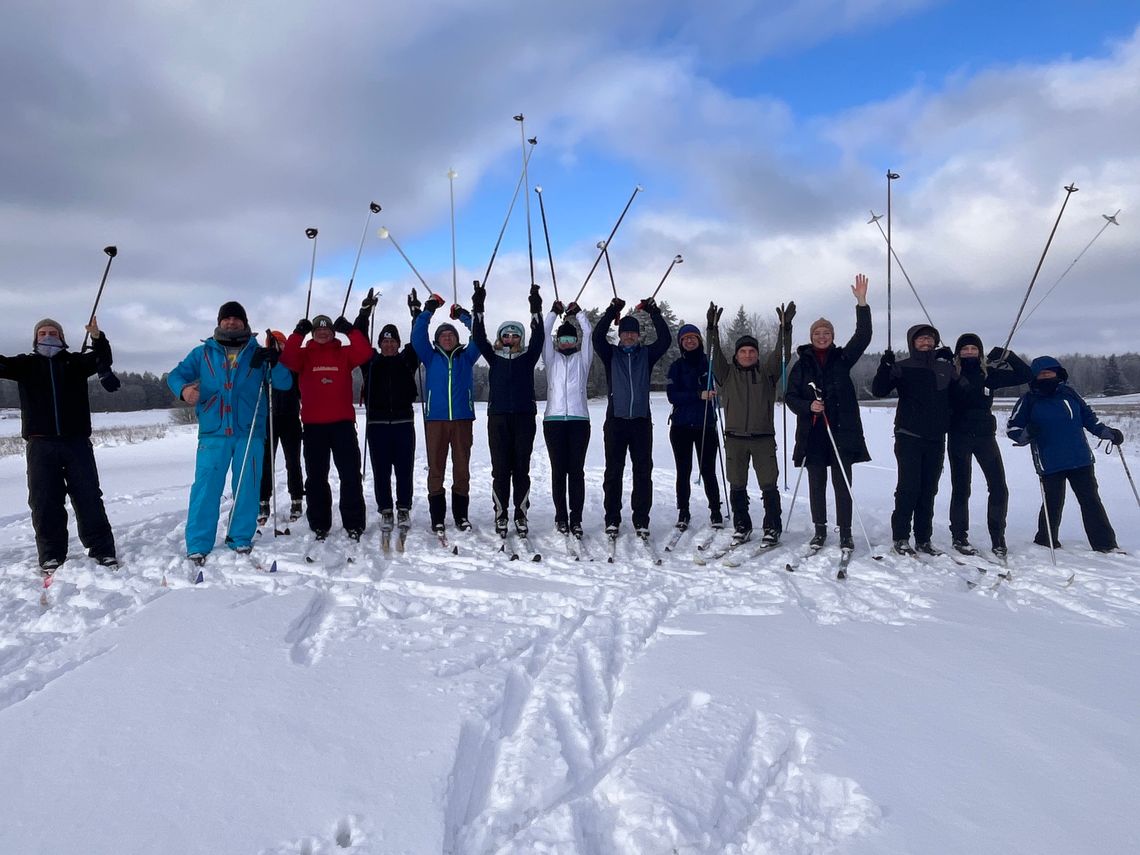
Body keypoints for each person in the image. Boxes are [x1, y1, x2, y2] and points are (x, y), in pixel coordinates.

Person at [168, 302, 292, 562]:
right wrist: (184, 390)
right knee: (206, 488)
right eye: (227, 318)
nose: (232, 322)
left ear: (245, 323)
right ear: (219, 322)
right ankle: (199, 542)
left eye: (237, 318)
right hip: (213, 433)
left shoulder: (257, 353)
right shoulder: (203, 353)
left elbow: (284, 383)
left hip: (250, 431)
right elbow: (175, 375)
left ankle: (240, 537)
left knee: (247, 487)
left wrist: (276, 361)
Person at [0, 317, 120, 574]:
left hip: (76, 442)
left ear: (62, 337)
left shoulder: (75, 362)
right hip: (40, 444)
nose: (48, 336)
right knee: (44, 500)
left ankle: (103, 551)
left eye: (53, 332)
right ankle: (51, 555)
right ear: (35, 338)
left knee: (89, 497)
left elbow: (103, 358)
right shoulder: (25, 364)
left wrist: (97, 337)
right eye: (42, 333)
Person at [785, 275, 872, 552]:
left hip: (841, 432)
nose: (822, 337)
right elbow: (790, 397)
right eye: (817, 334)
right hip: (813, 433)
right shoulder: (801, 364)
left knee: (842, 484)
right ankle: (819, 530)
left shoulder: (842, 359)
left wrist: (861, 303)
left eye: (826, 333)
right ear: (811, 337)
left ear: (832, 337)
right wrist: (808, 406)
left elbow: (863, 337)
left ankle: (845, 532)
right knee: (817, 484)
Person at [1007, 356, 1122, 553]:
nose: (1046, 376)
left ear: (1058, 373)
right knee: (1053, 502)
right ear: (1034, 377)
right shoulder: (1028, 400)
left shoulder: (1070, 394)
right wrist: (1027, 433)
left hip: (1080, 458)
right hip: (1049, 460)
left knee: (1091, 501)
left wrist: (1107, 433)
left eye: (1050, 372)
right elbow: (1013, 428)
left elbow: (1089, 418)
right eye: (1042, 374)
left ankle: (1105, 544)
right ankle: (1045, 540)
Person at [280, 309, 372, 541]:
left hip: (343, 425)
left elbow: (365, 352)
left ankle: (354, 522)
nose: (322, 333)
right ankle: (319, 522)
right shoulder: (304, 355)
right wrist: (297, 334)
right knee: (316, 477)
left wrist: (350, 330)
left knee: (350, 475)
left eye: (327, 329)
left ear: (333, 332)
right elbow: (287, 358)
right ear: (312, 333)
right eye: (318, 329)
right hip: (314, 427)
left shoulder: (344, 353)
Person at [707, 302, 794, 546]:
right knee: (737, 484)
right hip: (734, 439)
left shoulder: (767, 373)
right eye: (743, 351)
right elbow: (713, 352)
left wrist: (785, 328)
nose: (747, 355)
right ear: (736, 355)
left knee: (768, 484)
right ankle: (742, 525)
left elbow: (782, 354)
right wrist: (712, 329)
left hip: (763, 438)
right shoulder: (725, 374)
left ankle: (772, 526)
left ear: (757, 354)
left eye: (752, 351)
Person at [871, 323, 956, 556]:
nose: (926, 342)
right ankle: (900, 537)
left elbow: (963, 393)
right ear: (912, 342)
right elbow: (879, 390)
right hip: (908, 436)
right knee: (908, 488)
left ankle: (923, 539)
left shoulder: (945, 368)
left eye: (930, 338)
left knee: (929, 489)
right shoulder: (902, 367)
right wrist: (885, 367)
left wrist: (954, 364)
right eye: (921, 339)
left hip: (936, 438)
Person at [592, 296, 672, 537]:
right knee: (613, 472)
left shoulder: (646, 354)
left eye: (633, 333)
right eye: (625, 332)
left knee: (643, 472)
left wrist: (653, 312)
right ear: (620, 335)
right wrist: (611, 311)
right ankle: (612, 518)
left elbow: (665, 340)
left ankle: (641, 519)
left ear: (638, 336)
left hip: (641, 422)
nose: (628, 336)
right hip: (615, 421)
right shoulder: (610, 354)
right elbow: (597, 337)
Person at [946, 336, 1033, 558]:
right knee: (961, 488)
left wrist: (1007, 355)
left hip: (985, 436)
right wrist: (940, 358)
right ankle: (959, 536)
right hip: (958, 435)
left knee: (998, 486)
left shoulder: (989, 374)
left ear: (980, 351)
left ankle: (998, 537)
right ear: (958, 352)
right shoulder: (950, 372)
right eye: (964, 348)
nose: (969, 351)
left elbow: (1026, 374)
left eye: (973, 348)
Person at [471, 282, 545, 536]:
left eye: (515, 336)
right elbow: (478, 337)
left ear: (520, 338)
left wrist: (536, 308)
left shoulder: (528, 357)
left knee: (521, 469)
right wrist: (478, 307)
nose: (510, 339)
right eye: (506, 335)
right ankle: (501, 514)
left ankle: (521, 514)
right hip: (498, 418)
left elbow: (539, 337)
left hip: (524, 418)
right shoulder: (493, 357)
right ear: (500, 337)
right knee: (500, 470)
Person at [412, 293, 480, 534]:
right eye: (443, 335)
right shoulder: (430, 357)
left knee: (461, 469)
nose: (447, 337)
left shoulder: (467, 357)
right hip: (436, 421)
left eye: (451, 334)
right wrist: (429, 309)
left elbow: (479, 336)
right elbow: (417, 336)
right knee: (436, 469)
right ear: (437, 340)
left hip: (462, 420)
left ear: (457, 338)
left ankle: (461, 516)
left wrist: (463, 316)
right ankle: (437, 517)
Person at [357, 290, 421, 535]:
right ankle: (385, 509)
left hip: (404, 423)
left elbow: (418, 339)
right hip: (377, 425)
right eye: (385, 341)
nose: (389, 344)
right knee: (381, 470)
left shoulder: (407, 360)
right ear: (380, 344)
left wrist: (415, 313)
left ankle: (403, 507)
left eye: (393, 341)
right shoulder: (370, 361)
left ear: (398, 343)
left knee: (404, 469)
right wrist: (365, 312)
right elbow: (359, 337)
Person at [542, 299, 594, 537]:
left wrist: (578, 313)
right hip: (553, 421)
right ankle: (560, 516)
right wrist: (554, 312)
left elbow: (589, 332)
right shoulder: (551, 359)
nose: (566, 342)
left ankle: (576, 518)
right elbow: (544, 332)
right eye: (562, 339)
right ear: (557, 341)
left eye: (570, 339)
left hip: (579, 421)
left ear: (575, 341)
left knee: (576, 471)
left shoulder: (583, 360)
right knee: (558, 471)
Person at [665, 322, 723, 531]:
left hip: (705, 424)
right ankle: (683, 511)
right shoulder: (676, 366)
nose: (690, 341)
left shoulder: (709, 363)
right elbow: (673, 396)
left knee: (708, 470)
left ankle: (715, 510)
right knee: (683, 470)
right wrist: (698, 395)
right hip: (681, 426)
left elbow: (721, 385)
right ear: (681, 342)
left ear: (699, 340)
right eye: (685, 338)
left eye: (693, 337)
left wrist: (714, 395)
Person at [257, 329, 304, 526]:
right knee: (266, 461)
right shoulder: (265, 363)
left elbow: (295, 384)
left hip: (290, 418)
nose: (279, 346)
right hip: (269, 419)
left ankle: (296, 499)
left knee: (293, 461)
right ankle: (263, 501)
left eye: (281, 343)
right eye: (274, 343)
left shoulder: (291, 362)